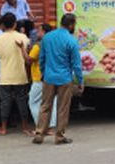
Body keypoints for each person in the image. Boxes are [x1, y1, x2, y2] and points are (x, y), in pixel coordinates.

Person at [33, 13, 84, 145]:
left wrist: (44, 73)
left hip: (49, 78)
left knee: (45, 106)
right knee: (62, 108)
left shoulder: (47, 37)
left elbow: (42, 59)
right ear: (71, 24)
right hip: (64, 79)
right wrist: (80, 81)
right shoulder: (71, 40)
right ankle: (59, 136)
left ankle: (39, 134)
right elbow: (76, 65)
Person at [0, 13, 32, 136]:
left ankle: (3, 128)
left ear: (3, 24)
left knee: (4, 103)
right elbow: (28, 52)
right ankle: (25, 127)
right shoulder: (22, 37)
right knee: (22, 102)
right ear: (15, 24)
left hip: (5, 76)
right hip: (20, 75)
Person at [28, 24, 57, 131]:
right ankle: (51, 127)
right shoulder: (54, 44)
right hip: (52, 76)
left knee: (34, 102)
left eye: (39, 31)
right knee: (51, 102)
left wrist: (21, 49)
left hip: (39, 78)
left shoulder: (38, 45)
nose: (37, 33)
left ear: (44, 32)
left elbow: (29, 60)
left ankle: (41, 126)